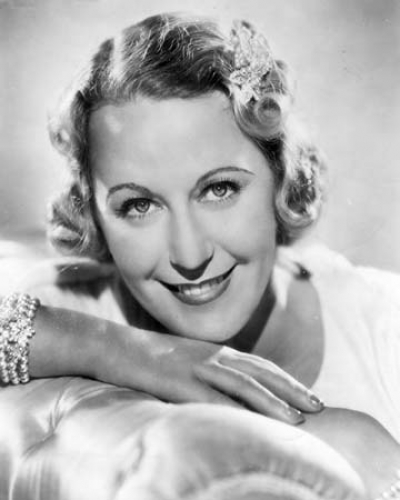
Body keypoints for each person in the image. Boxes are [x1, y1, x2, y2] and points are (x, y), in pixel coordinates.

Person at [1, 11, 400, 498]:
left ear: (282, 176)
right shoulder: (73, 307)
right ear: (94, 214)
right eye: (138, 205)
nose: (189, 254)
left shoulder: (384, 327)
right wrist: (127, 351)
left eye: (219, 189)